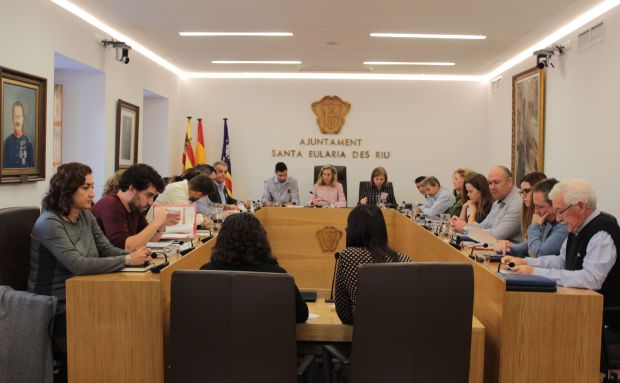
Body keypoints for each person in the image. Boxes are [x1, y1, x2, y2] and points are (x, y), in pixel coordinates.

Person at [28, 163, 152, 381]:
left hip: (86, 292)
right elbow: (78, 264)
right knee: (118, 323)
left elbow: (105, 249)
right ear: (67, 189)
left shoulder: (85, 215)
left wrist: (136, 259)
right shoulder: (49, 223)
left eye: (93, 186)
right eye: (85, 187)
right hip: (55, 304)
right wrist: (127, 259)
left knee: (134, 315)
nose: (92, 193)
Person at [502, 179, 620, 327]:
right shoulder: (577, 225)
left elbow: (591, 279)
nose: (558, 218)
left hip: (601, 318)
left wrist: (535, 272)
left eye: (560, 211)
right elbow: (562, 261)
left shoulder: (602, 232)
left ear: (581, 207)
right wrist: (526, 262)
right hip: (578, 307)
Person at [200, 213, 308, 323]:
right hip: (265, 339)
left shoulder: (206, 273)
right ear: (260, 239)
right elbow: (301, 315)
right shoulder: (277, 275)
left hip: (216, 339)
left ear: (221, 239)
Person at [335, 204, 411, 325]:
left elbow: (344, 312)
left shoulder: (349, 255)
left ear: (353, 230)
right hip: (402, 335)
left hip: (365, 334)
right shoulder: (405, 259)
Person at [92, 163, 180, 251]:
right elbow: (125, 248)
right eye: (148, 195)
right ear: (131, 189)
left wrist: (162, 224)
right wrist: (156, 222)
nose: (151, 202)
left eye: (153, 197)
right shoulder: (110, 204)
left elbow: (148, 240)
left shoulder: (135, 206)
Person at [497, 178, 568, 257]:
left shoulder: (564, 226)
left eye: (540, 207)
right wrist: (506, 249)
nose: (536, 211)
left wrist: (534, 226)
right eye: (535, 206)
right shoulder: (547, 221)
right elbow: (529, 246)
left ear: (554, 205)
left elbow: (538, 253)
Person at [451, 165, 523, 242]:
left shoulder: (518, 202)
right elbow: (483, 226)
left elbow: (498, 235)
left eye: (496, 182)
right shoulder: (498, 202)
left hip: (510, 251)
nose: (492, 187)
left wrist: (465, 228)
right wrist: (463, 225)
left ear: (510, 181)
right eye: (490, 183)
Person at [494, 172, 548, 254]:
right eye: (522, 191)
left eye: (526, 191)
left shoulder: (546, 218)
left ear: (539, 190)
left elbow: (536, 252)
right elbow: (528, 245)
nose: (523, 195)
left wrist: (534, 226)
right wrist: (510, 246)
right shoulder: (528, 213)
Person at [146, 174, 216, 226]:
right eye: (202, 197)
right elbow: (185, 220)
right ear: (198, 194)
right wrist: (202, 218)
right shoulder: (178, 190)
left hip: (162, 231)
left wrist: (201, 217)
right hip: (151, 233)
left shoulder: (183, 189)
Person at [3, 101, 34, 168]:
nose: (17, 120)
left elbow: (32, 166)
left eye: (19, 116)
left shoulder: (28, 141)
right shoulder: (7, 142)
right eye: (15, 116)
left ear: (22, 119)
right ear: (12, 119)